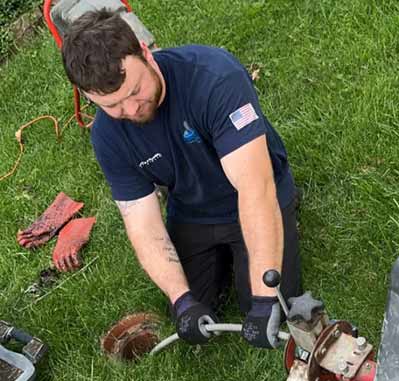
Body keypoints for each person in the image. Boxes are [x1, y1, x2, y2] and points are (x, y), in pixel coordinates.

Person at [61, 9, 301, 349]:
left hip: (253, 193)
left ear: (145, 53)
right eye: (112, 105)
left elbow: (255, 189)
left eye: (134, 92)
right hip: (192, 212)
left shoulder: (214, 78)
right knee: (192, 314)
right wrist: (181, 299)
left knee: (268, 308)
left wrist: (264, 299)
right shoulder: (106, 136)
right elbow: (142, 222)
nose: (129, 111)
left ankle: (285, 216)